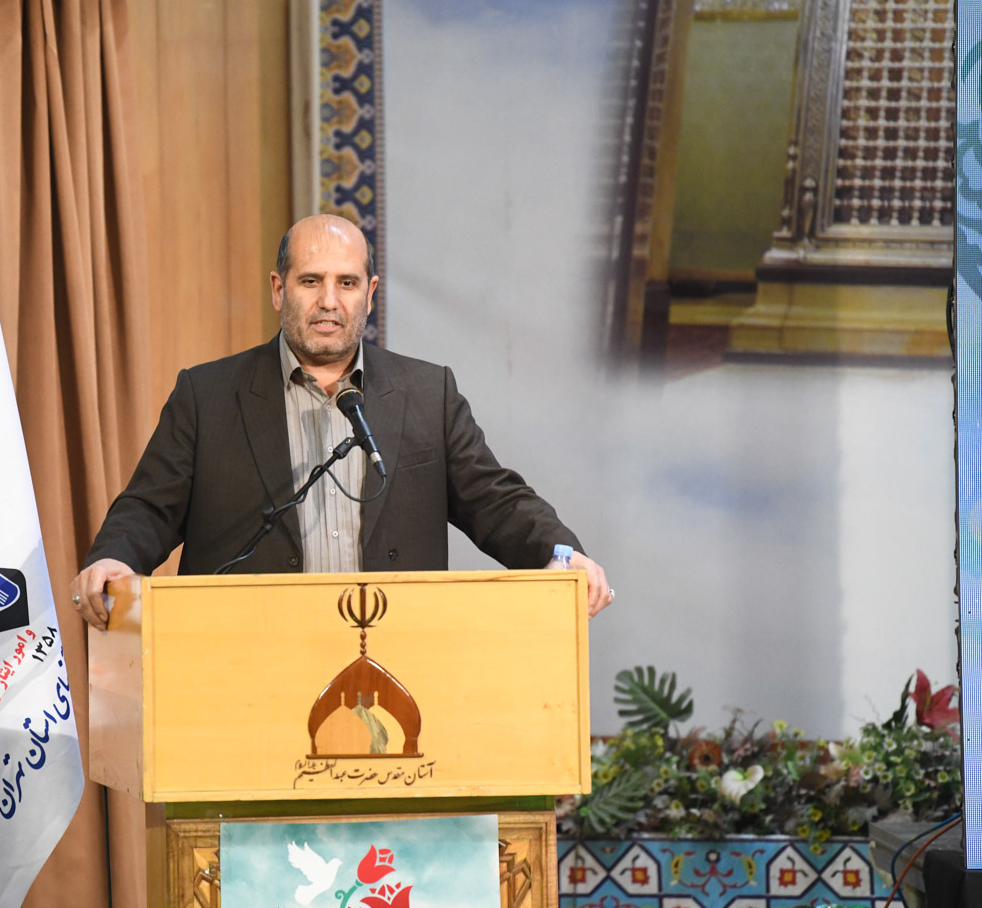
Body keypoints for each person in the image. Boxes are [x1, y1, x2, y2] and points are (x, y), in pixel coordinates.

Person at [69, 214, 613, 629]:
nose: (329, 301)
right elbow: (149, 506)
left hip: (392, 655)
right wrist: (115, 557)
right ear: (279, 289)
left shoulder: (429, 394)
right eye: (311, 281)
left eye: (347, 283)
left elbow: (495, 500)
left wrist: (561, 553)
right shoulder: (207, 395)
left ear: (370, 294)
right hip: (248, 655)